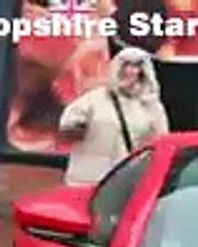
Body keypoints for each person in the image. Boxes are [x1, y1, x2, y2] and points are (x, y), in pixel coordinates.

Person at [58, 47, 169, 185]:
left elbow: (160, 143)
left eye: (136, 66)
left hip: (123, 183)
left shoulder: (151, 106)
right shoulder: (93, 100)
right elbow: (67, 130)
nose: (130, 71)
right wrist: (76, 127)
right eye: (125, 65)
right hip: (86, 179)